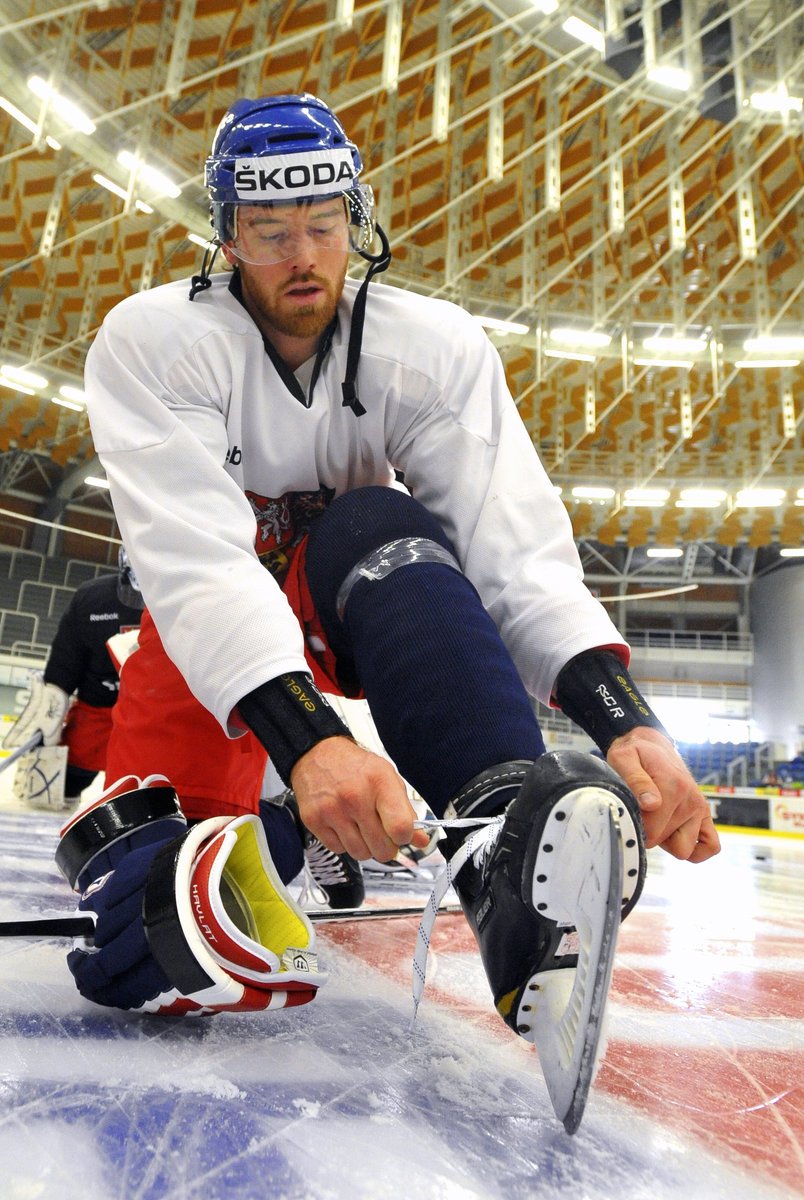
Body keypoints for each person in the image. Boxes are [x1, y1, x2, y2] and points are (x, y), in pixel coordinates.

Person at [59, 93, 719, 1132]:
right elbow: (196, 566)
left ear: (358, 221)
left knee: (382, 519)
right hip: (211, 645)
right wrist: (308, 744)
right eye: (271, 234)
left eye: (323, 225)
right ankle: (277, 823)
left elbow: (513, 546)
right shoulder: (151, 341)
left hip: (353, 598)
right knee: (161, 932)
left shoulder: (433, 348)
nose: (302, 256)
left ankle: (503, 851)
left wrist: (624, 718)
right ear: (226, 237)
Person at [2, 550, 143, 808]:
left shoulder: (186, 605)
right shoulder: (92, 600)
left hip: (153, 719)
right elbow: (65, 664)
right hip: (97, 712)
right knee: (54, 794)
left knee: (155, 797)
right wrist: (49, 711)